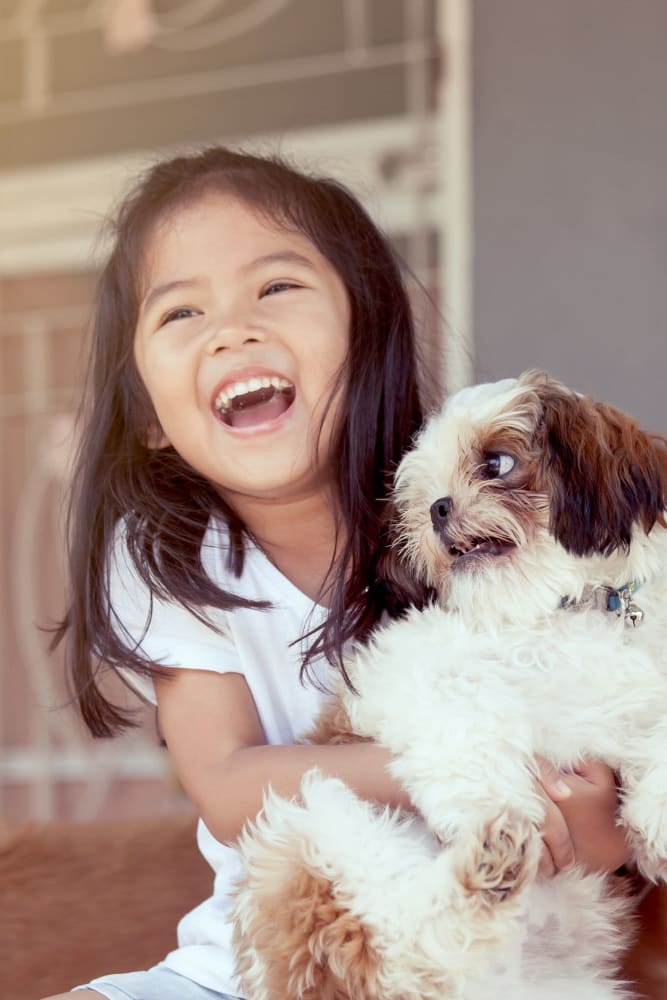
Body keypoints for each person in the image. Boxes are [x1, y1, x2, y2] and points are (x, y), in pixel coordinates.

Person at [43, 147, 629, 1000]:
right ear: (148, 418)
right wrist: (451, 771)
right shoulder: (167, 551)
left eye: (275, 288)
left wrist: (581, 817)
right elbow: (228, 785)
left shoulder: (468, 514)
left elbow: (603, 810)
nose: (231, 330)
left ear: (368, 335)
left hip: (487, 963)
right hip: (270, 964)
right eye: (181, 313)